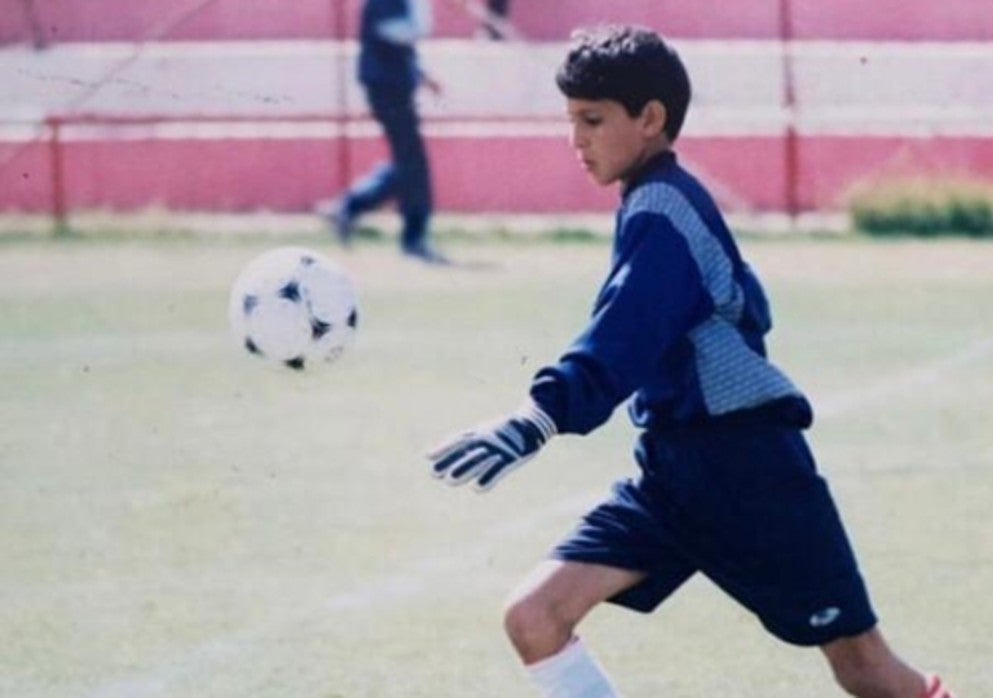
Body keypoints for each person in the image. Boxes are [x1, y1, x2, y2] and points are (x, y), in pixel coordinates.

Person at [426, 25, 954, 698]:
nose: (576, 139)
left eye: (593, 120)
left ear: (650, 119)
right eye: (571, 120)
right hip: (673, 474)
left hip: (750, 469)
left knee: (865, 668)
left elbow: (626, 332)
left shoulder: (664, 208)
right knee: (536, 617)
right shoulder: (653, 202)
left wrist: (539, 417)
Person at [319, 0, 446, 263]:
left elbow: (398, 43)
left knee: (409, 163)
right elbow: (397, 30)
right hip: (386, 86)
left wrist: (422, 75)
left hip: (392, 83)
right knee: (413, 163)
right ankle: (413, 240)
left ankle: (349, 207)